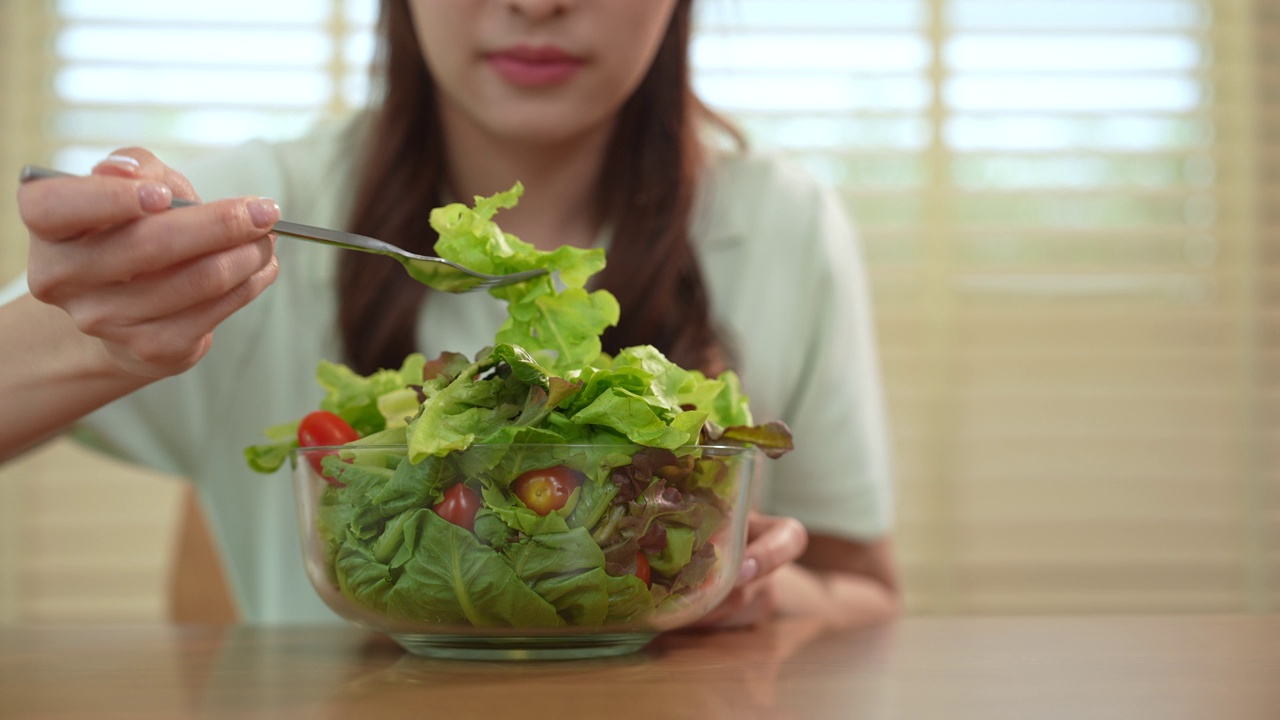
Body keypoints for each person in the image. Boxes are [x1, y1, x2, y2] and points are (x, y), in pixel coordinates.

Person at [1, 0, 898, 629]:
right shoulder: (260, 216)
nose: (536, 4)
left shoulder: (784, 224)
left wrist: (751, 588)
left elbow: (864, 593)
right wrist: (97, 330)